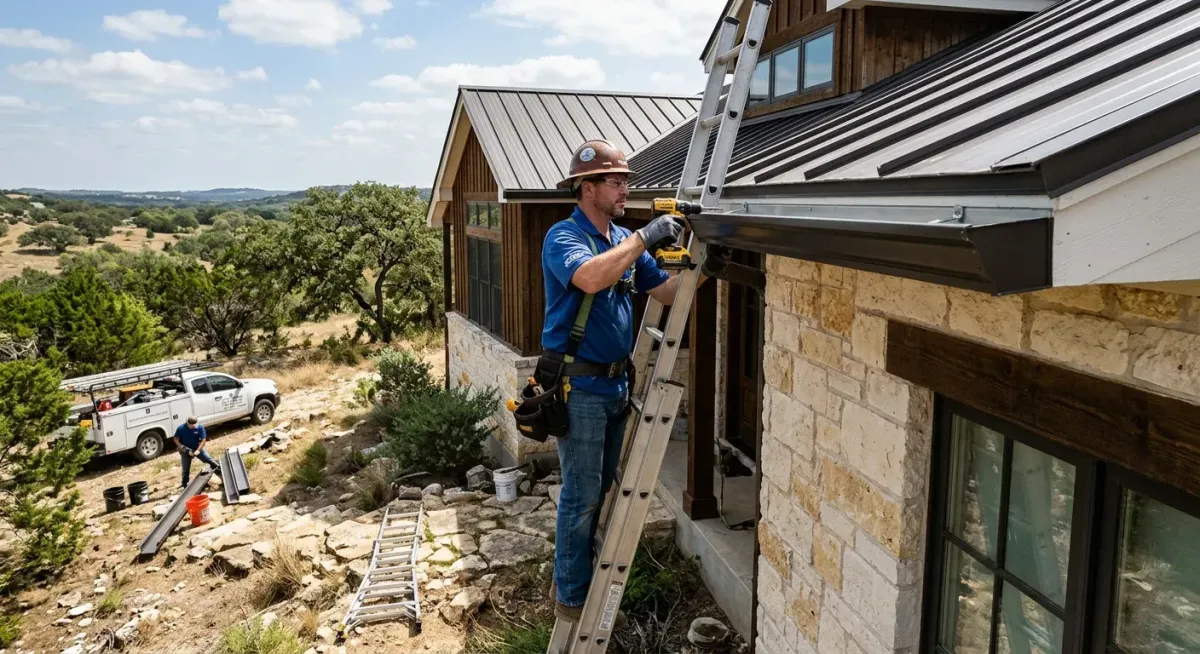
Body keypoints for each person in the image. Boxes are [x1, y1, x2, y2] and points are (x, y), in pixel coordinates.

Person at [540, 139, 706, 621]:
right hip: (581, 389)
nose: (624, 190)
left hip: (616, 385)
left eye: (626, 181)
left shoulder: (621, 239)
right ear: (586, 188)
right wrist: (645, 237)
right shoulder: (564, 237)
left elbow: (668, 292)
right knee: (581, 493)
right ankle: (572, 595)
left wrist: (703, 265)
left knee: (603, 489)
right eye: (616, 182)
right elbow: (591, 279)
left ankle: (587, 571)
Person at [174, 416, 221, 489]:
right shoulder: (181, 428)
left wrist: (198, 450)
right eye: (191, 424)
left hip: (197, 448)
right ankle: (185, 484)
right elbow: (176, 439)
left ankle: (220, 471)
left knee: (208, 459)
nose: (193, 426)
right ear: (187, 423)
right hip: (185, 450)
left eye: (194, 424)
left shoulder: (200, 428)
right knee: (186, 468)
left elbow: (203, 440)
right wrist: (184, 449)